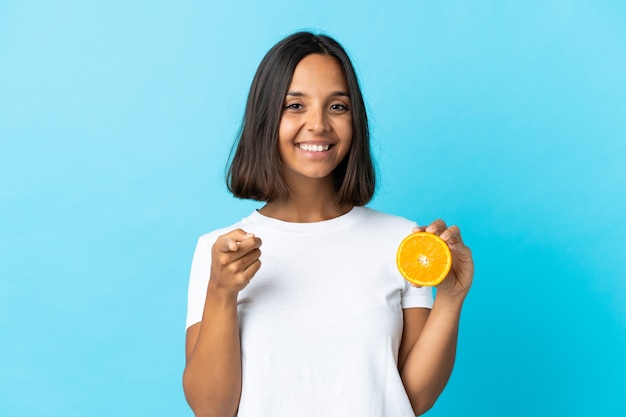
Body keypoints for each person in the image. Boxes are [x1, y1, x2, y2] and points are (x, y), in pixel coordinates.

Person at [183, 31, 474, 417]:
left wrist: (451, 300)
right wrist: (221, 292)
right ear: (265, 118)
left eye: (337, 106)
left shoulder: (404, 241)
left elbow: (412, 398)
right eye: (295, 106)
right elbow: (211, 409)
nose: (318, 124)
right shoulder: (220, 253)